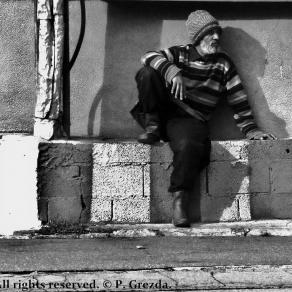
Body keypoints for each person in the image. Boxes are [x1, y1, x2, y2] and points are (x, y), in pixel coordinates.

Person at [130, 10, 275, 227]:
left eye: (218, 33)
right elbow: (148, 56)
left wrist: (251, 129)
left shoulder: (223, 64)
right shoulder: (180, 54)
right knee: (147, 72)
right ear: (198, 37)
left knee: (191, 144)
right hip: (160, 112)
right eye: (210, 33)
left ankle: (180, 200)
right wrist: (171, 70)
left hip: (187, 121)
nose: (216, 37)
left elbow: (238, 98)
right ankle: (152, 125)